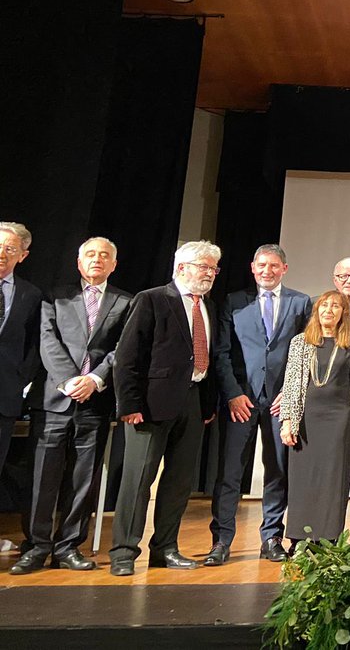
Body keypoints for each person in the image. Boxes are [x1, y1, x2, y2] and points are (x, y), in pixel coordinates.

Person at [11, 238, 131, 575]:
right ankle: (35, 547)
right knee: (42, 477)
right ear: (79, 263)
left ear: (114, 264)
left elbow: (122, 348)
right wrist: (68, 381)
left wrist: (94, 380)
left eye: (104, 255)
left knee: (84, 479)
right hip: (54, 399)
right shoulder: (55, 295)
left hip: (96, 401)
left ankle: (68, 547)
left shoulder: (126, 301)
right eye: (90, 255)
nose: (97, 260)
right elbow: (46, 339)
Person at [109, 240, 222, 576]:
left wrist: (207, 403)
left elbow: (210, 358)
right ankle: (124, 552)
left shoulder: (208, 307)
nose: (209, 273)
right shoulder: (152, 299)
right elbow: (127, 357)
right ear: (181, 267)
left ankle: (166, 548)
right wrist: (129, 404)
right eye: (203, 266)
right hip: (149, 404)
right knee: (138, 479)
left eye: (213, 268)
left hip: (193, 400)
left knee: (179, 482)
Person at [206, 244, 312, 566]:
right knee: (230, 473)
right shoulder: (235, 302)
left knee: (277, 471)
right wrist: (234, 394)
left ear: (284, 269)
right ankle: (221, 541)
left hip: (281, 403)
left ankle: (271, 538)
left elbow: (306, 352)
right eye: (262, 265)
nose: (268, 271)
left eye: (274, 266)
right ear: (253, 268)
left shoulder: (300, 302)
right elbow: (222, 353)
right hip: (242, 401)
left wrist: (291, 394)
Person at [279, 291, 350, 543]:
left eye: (336, 306)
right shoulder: (300, 342)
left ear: (343, 313)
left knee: (333, 480)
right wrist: (288, 421)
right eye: (324, 305)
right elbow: (291, 384)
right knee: (304, 478)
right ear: (316, 311)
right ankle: (299, 539)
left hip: (340, 420)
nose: (329, 310)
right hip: (307, 420)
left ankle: (329, 537)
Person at [0, 222, 42, 479]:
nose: (1, 253)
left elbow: (35, 347)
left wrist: (17, 382)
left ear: (23, 255)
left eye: (9, 248)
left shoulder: (31, 295)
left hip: (3, 398)